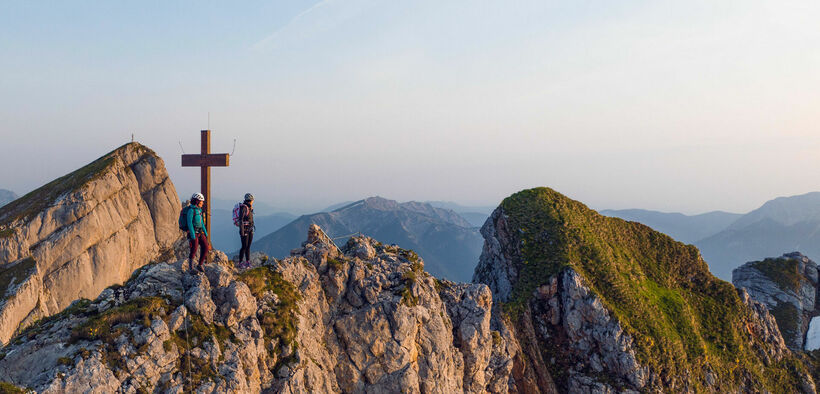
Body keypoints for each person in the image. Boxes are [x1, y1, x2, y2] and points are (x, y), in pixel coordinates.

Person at [186, 192, 210, 272]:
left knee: (206, 247)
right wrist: (192, 235)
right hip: (194, 233)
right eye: (201, 201)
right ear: (197, 201)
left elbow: (202, 223)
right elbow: (189, 223)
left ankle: (200, 264)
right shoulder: (191, 210)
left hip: (200, 232)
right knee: (194, 249)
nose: (203, 203)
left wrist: (205, 233)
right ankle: (191, 268)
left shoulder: (199, 210)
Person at [237, 193, 255, 268]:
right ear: (250, 200)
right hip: (245, 230)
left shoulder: (249, 207)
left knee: (248, 246)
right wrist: (242, 231)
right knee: (244, 246)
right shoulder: (244, 207)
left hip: (250, 229)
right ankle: (240, 262)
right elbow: (241, 219)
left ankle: (248, 261)